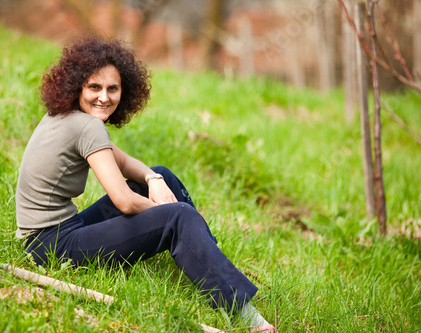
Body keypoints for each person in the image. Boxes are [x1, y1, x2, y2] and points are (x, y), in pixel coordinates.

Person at [15, 35, 274, 332]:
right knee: (179, 216)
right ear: (77, 86)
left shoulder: (68, 116)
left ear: (124, 91)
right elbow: (124, 200)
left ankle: (205, 255)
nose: (104, 97)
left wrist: (154, 179)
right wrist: (168, 213)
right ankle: (246, 317)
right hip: (51, 248)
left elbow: (125, 164)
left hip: (54, 233)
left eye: (113, 88)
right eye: (94, 87)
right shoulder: (86, 127)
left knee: (162, 173)